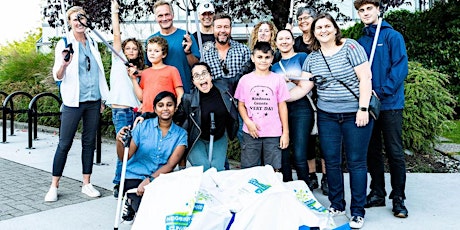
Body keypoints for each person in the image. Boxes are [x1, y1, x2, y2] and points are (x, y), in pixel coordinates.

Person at [289, 13, 373, 229]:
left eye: (327, 26)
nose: (323, 30)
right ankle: (337, 203)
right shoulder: (312, 58)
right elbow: (303, 88)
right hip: (327, 116)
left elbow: (365, 78)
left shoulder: (351, 47)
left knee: (356, 162)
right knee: (331, 160)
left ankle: (357, 211)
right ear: (314, 33)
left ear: (335, 29)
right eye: (319, 28)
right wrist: (278, 95)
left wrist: (363, 108)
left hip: (355, 113)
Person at [45, 6, 110, 202]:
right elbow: (57, 75)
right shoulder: (65, 43)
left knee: (89, 143)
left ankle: (86, 183)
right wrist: (64, 64)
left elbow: (97, 72)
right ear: (70, 22)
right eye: (75, 19)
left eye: (82, 18)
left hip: (93, 100)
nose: (79, 22)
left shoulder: (92, 42)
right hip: (73, 102)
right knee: (64, 143)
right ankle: (54, 185)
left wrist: (103, 98)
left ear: (86, 20)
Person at [354, 0, 409, 218]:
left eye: (369, 9)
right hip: (368, 105)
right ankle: (377, 191)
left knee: (395, 151)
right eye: (361, 10)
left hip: (390, 104)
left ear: (378, 10)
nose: (365, 13)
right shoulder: (360, 41)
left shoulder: (392, 36)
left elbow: (400, 67)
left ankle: (398, 198)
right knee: (372, 150)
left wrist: (382, 91)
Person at [116, 91, 187, 223]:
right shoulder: (143, 127)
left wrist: (150, 180)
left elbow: (170, 165)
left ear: (175, 108)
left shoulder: (181, 134)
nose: (165, 108)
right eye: (160, 105)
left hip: (160, 178)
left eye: (169, 105)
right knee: (144, 211)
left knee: (162, 211)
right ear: (155, 109)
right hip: (135, 176)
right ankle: (131, 203)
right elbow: (124, 158)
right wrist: (118, 141)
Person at [106, 0, 145, 199]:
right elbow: (116, 35)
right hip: (121, 110)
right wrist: (114, 11)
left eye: (134, 49)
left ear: (138, 52)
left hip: (136, 111)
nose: (130, 51)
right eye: (127, 48)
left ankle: (130, 180)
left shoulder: (140, 71)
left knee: (135, 148)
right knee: (124, 145)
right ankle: (117, 182)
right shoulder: (118, 59)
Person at [234, 41, 290, 170]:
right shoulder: (245, 80)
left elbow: (282, 106)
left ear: (272, 59)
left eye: (267, 57)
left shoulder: (278, 79)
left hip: (273, 132)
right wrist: (248, 122)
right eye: (259, 57)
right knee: (250, 168)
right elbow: (241, 105)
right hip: (252, 131)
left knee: (273, 169)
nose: (263, 61)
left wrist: (285, 132)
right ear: (253, 58)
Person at [177, 62, 238, 171]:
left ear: (211, 76)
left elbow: (240, 75)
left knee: (217, 170)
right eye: (196, 76)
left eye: (204, 73)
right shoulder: (188, 99)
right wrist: (147, 116)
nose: (201, 78)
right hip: (197, 139)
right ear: (193, 81)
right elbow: (174, 117)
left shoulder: (225, 89)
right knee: (204, 168)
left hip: (218, 137)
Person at [293, 7, 328, 196]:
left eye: (307, 17)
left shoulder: (321, 40)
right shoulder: (296, 43)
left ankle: (327, 177)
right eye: (300, 18)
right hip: (303, 97)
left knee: (325, 140)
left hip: (323, 95)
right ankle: (311, 175)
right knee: (307, 141)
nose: (303, 20)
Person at [271, 29, 313, 187]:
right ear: (276, 43)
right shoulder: (274, 66)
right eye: (280, 39)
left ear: (293, 41)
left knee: (299, 154)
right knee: (283, 153)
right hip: (280, 111)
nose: (284, 41)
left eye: (287, 38)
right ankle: (288, 187)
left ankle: (305, 188)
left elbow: (308, 84)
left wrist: (292, 81)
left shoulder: (303, 57)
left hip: (301, 109)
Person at [146, 0, 200, 93]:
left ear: (173, 15)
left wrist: (188, 52)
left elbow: (195, 65)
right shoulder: (151, 41)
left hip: (185, 92)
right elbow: (147, 68)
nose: (164, 18)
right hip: (161, 95)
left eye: (167, 14)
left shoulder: (186, 36)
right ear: (155, 18)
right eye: (160, 15)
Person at [129, 36, 184, 113]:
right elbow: (141, 98)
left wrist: (176, 109)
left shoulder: (172, 70)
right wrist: (133, 79)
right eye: (149, 50)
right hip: (147, 114)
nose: (152, 53)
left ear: (164, 54)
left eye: (156, 51)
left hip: (165, 114)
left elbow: (180, 93)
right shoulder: (145, 73)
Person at [200, 12, 251, 95]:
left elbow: (249, 79)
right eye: (219, 27)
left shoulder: (243, 50)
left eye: (226, 27)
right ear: (213, 28)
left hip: (239, 99)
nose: (222, 30)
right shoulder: (204, 53)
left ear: (231, 28)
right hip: (215, 99)